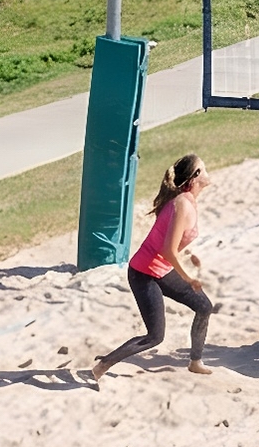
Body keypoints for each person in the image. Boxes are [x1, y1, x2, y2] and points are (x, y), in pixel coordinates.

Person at [92, 154, 217, 383]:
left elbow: (167, 238)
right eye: (204, 168)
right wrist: (189, 278)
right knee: (155, 336)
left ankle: (195, 362)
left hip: (160, 270)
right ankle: (103, 365)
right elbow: (168, 249)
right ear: (195, 177)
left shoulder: (185, 200)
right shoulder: (182, 205)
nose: (208, 172)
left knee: (204, 306)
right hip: (144, 274)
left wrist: (187, 253)